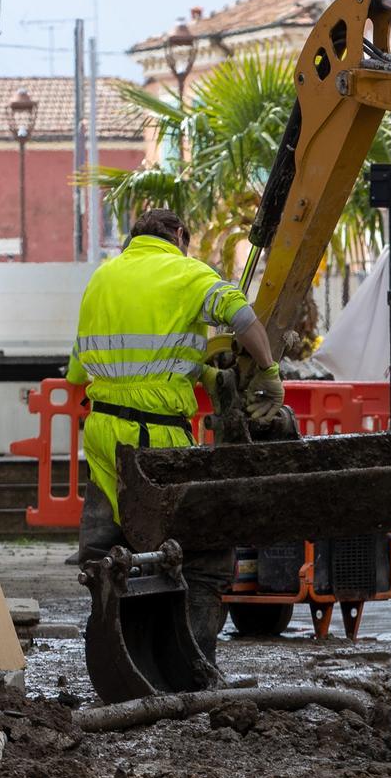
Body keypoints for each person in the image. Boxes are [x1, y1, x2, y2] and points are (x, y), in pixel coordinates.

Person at [66, 209, 283, 663]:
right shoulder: (188, 273)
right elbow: (243, 319)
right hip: (157, 438)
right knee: (200, 553)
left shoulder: (101, 281)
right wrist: (269, 371)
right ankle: (189, 663)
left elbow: (81, 371)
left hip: (104, 434)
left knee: (106, 548)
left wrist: (198, 373)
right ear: (181, 235)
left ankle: (116, 655)